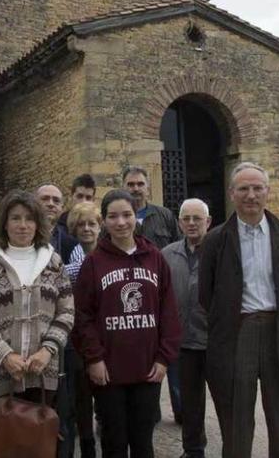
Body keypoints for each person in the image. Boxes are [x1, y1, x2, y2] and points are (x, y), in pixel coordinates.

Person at [198, 162, 279, 458]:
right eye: (243, 188)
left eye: (257, 188)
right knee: (236, 416)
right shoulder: (215, 240)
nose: (251, 195)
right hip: (236, 333)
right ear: (232, 193)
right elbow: (205, 295)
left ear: (267, 192)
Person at [73, 189, 181, 458]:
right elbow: (82, 316)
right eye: (113, 216)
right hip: (108, 371)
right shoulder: (94, 262)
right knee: (114, 441)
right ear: (105, 221)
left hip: (148, 369)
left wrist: (164, 358)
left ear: (137, 217)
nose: (121, 222)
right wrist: (94, 358)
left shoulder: (155, 258)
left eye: (127, 215)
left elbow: (168, 311)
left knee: (143, 441)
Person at [0, 189, 74, 417]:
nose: (23, 225)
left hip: (42, 371)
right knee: (2, 443)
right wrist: (5, 355)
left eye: (29, 219)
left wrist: (47, 350)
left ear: (38, 224)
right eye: (15, 218)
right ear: (4, 223)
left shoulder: (53, 262)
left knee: (39, 443)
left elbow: (66, 312)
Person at [122, 165, 182, 423]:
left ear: (148, 186)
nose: (136, 188)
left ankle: (182, 410)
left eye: (139, 184)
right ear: (124, 186)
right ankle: (149, 411)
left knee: (170, 352)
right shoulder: (118, 216)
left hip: (162, 294)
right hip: (131, 297)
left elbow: (178, 248)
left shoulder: (165, 215)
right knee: (142, 353)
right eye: (131, 184)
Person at [161, 198, 212, 458]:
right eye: (186, 219)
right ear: (179, 223)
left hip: (214, 340)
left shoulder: (219, 251)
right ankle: (193, 451)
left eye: (197, 219)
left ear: (208, 221)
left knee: (228, 400)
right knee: (190, 403)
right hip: (183, 342)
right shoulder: (167, 254)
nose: (192, 224)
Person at [60, 201, 103, 458]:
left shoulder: (109, 255)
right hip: (78, 336)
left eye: (92, 224)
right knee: (82, 396)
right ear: (74, 229)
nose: (87, 229)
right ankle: (87, 446)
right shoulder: (70, 261)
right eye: (82, 225)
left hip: (107, 334)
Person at [36, 183, 78, 264]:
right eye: (45, 199)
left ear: (62, 208)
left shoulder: (72, 242)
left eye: (56, 200)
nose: (51, 204)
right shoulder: (22, 236)